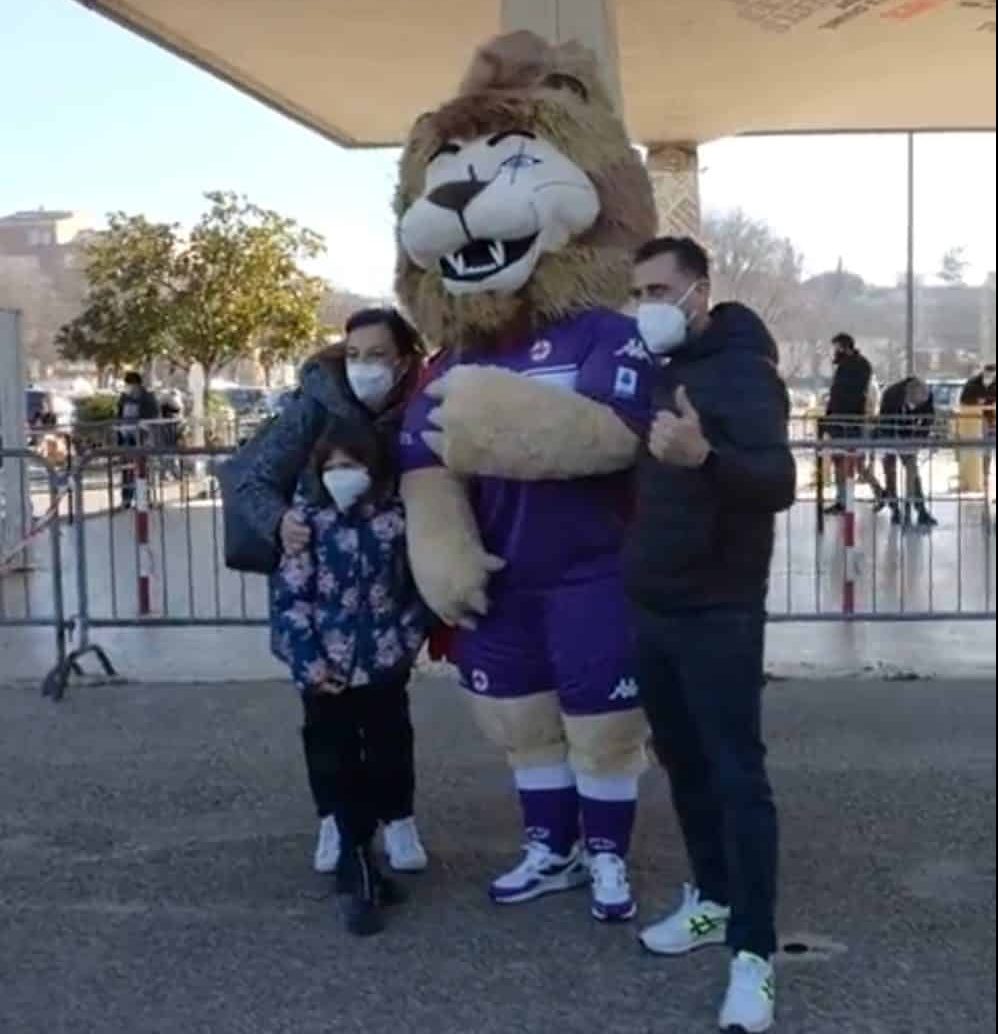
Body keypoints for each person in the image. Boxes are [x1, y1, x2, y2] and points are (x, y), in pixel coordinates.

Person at [624, 236, 796, 1034]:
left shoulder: (744, 371)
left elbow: (778, 484)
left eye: (661, 289)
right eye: (639, 293)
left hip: (720, 610)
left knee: (736, 776)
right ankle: (713, 900)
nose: (649, 306)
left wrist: (704, 457)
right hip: (653, 605)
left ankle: (755, 955)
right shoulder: (661, 368)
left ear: (701, 290)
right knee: (684, 765)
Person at [241, 307, 430, 876]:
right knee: (327, 733)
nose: (364, 367)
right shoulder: (312, 407)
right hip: (320, 599)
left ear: (403, 360)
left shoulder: (419, 407)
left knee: (389, 729)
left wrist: (410, 628)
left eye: (377, 355)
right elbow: (254, 479)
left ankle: (397, 819)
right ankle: (335, 820)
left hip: (385, 612)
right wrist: (279, 522)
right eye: (353, 354)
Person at [270, 420, 431, 936]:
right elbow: (290, 601)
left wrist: (403, 645)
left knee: (388, 747)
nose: (343, 475)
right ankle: (343, 836)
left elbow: (415, 591)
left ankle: (396, 820)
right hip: (325, 670)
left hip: (383, 665)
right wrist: (310, 664)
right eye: (333, 467)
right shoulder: (307, 525)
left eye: (353, 465)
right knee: (330, 750)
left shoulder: (394, 522)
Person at [822, 332, 885, 513]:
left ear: (843, 347)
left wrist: (831, 418)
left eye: (836, 347)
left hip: (848, 422)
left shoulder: (854, 367)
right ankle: (876, 494)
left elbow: (842, 397)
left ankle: (846, 500)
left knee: (848, 462)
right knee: (851, 463)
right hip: (845, 421)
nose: (833, 352)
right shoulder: (854, 365)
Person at [877, 376, 938, 527]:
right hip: (888, 432)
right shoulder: (891, 396)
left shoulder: (926, 395)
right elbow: (884, 422)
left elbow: (928, 419)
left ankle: (920, 509)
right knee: (890, 471)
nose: (914, 407)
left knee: (913, 471)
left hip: (908, 434)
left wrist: (919, 438)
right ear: (906, 396)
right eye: (912, 404)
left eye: (917, 406)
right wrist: (892, 443)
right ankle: (895, 510)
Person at [116, 372, 160, 509]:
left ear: (137, 384)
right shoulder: (124, 397)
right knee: (127, 469)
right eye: (127, 384)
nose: (129, 387)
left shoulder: (147, 397)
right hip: (126, 436)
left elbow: (153, 414)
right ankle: (126, 498)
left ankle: (145, 498)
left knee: (143, 468)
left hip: (142, 436)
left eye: (131, 384)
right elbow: (120, 414)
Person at [960, 363, 996, 500]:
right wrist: (977, 401)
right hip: (977, 423)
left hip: (992, 420)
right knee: (983, 452)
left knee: (988, 452)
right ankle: (983, 481)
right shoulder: (973, 383)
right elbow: (964, 399)